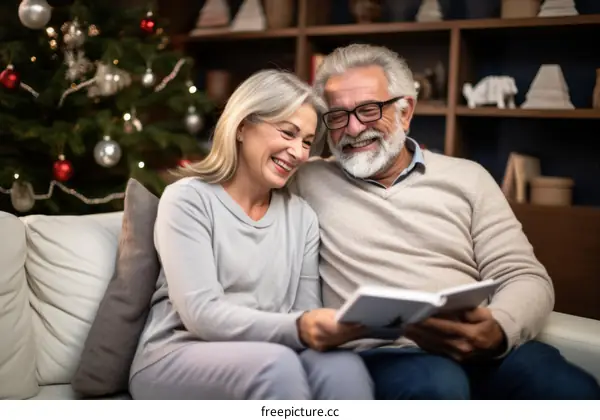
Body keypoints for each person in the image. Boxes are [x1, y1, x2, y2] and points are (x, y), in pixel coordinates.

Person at [289, 43, 600, 400]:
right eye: (338, 116)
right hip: (382, 354)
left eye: (368, 110)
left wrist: (498, 328)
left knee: (572, 390)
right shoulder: (306, 179)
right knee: (437, 385)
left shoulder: (468, 178)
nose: (353, 128)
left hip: (485, 348)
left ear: (406, 111)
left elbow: (524, 275)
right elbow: (237, 173)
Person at [128, 69, 374, 400]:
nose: (300, 153)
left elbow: (304, 311)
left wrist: (323, 328)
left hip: (270, 350)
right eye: (288, 133)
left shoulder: (301, 216)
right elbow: (200, 313)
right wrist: (300, 327)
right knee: (275, 365)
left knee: (344, 366)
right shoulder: (188, 199)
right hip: (175, 354)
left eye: (306, 142)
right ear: (242, 126)